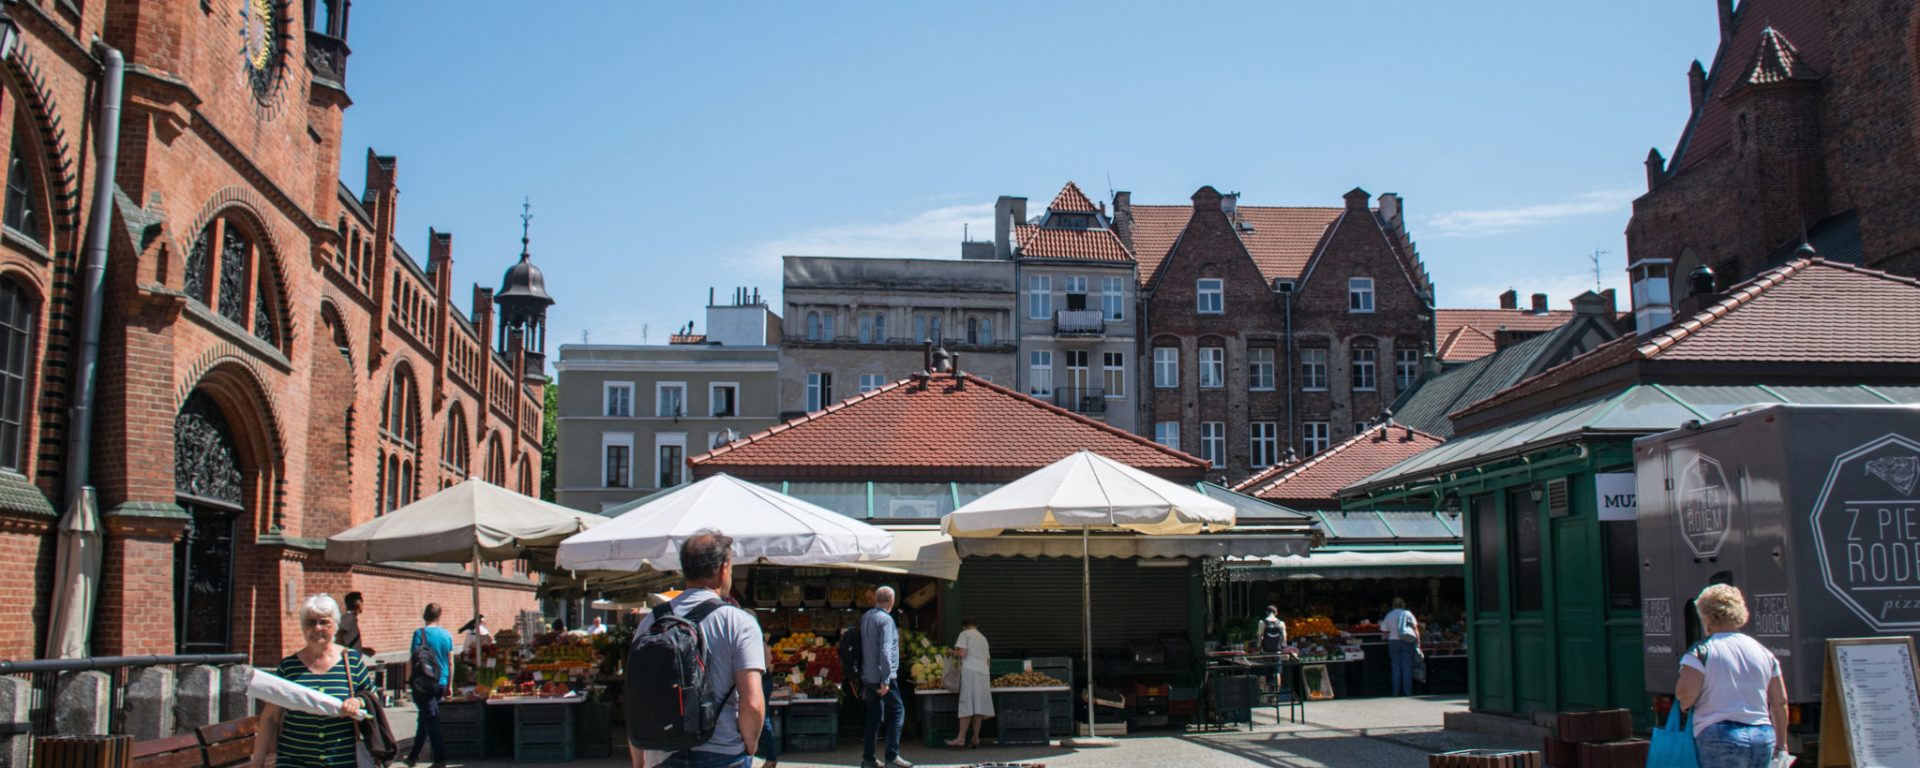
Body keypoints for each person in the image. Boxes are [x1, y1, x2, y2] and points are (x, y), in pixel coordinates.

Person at [631, 530, 766, 768]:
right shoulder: (738, 622)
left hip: (661, 753)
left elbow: (638, 695)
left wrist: (640, 762)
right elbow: (752, 702)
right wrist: (750, 746)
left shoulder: (651, 621)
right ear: (724, 569)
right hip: (723, 753)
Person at [252, 594, 372, 768]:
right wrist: (258, 761)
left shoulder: (351, 661)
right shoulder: (289, 667)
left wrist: (357, 701)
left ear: (335, 625)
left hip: (342, 760)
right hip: (295, 760)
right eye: (310, 622)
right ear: (302, 627)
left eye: (324, 622)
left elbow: (371, 697)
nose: (317, 628)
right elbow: (270, 717)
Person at [1676, 584, 1788, 768]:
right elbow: (1780, 702)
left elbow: (1686, 695)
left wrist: (1684, 704)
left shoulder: (1700, 652)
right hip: (1762, 734)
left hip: (1719, 734)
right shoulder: (1763, 652)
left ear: (1706, 616)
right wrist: (1781, 744)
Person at [860, 587, 911, 768]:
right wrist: (886, 680)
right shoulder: (886, 620)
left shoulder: (866, 617)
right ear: (891, 601)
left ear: (876, 599)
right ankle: (892, 756)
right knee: (897, 712)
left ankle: (869, 758)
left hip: (868, 675)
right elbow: (885, 651)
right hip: (883, 677)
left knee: (874, 717)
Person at [945, 618, 992, 748]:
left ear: (964, 626)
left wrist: (950, 652)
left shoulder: (965, 634)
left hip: (970, 671)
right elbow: (988, 662)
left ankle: (960, 739)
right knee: (978, 707)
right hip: (983, 673)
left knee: (966, 704)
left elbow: (962, 653)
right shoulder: (983, 638)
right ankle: (976, 738)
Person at [1382, 597, 1419, 697]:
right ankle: (1407, 691)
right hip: (1407, 641)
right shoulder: (1408, 614)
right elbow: (1415, 629)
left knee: (1396, 667)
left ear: (1393, 605)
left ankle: (1395, 692)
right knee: (1407, 666)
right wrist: (1418, 643)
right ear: (1403, 604)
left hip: (1393, 641)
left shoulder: (1389, 615)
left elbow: (1384, 630)